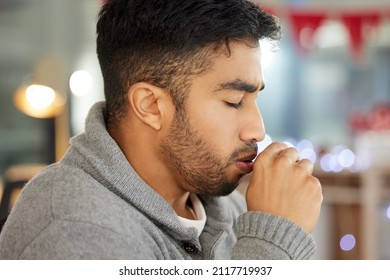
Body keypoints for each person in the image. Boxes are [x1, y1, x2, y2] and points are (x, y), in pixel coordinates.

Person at [0, 0, 322, 259]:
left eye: (255, 98)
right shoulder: (71, 229)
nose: (257, 129)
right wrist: (274, 242)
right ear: (151, 106)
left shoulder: (231, 208)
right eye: (235, 101)